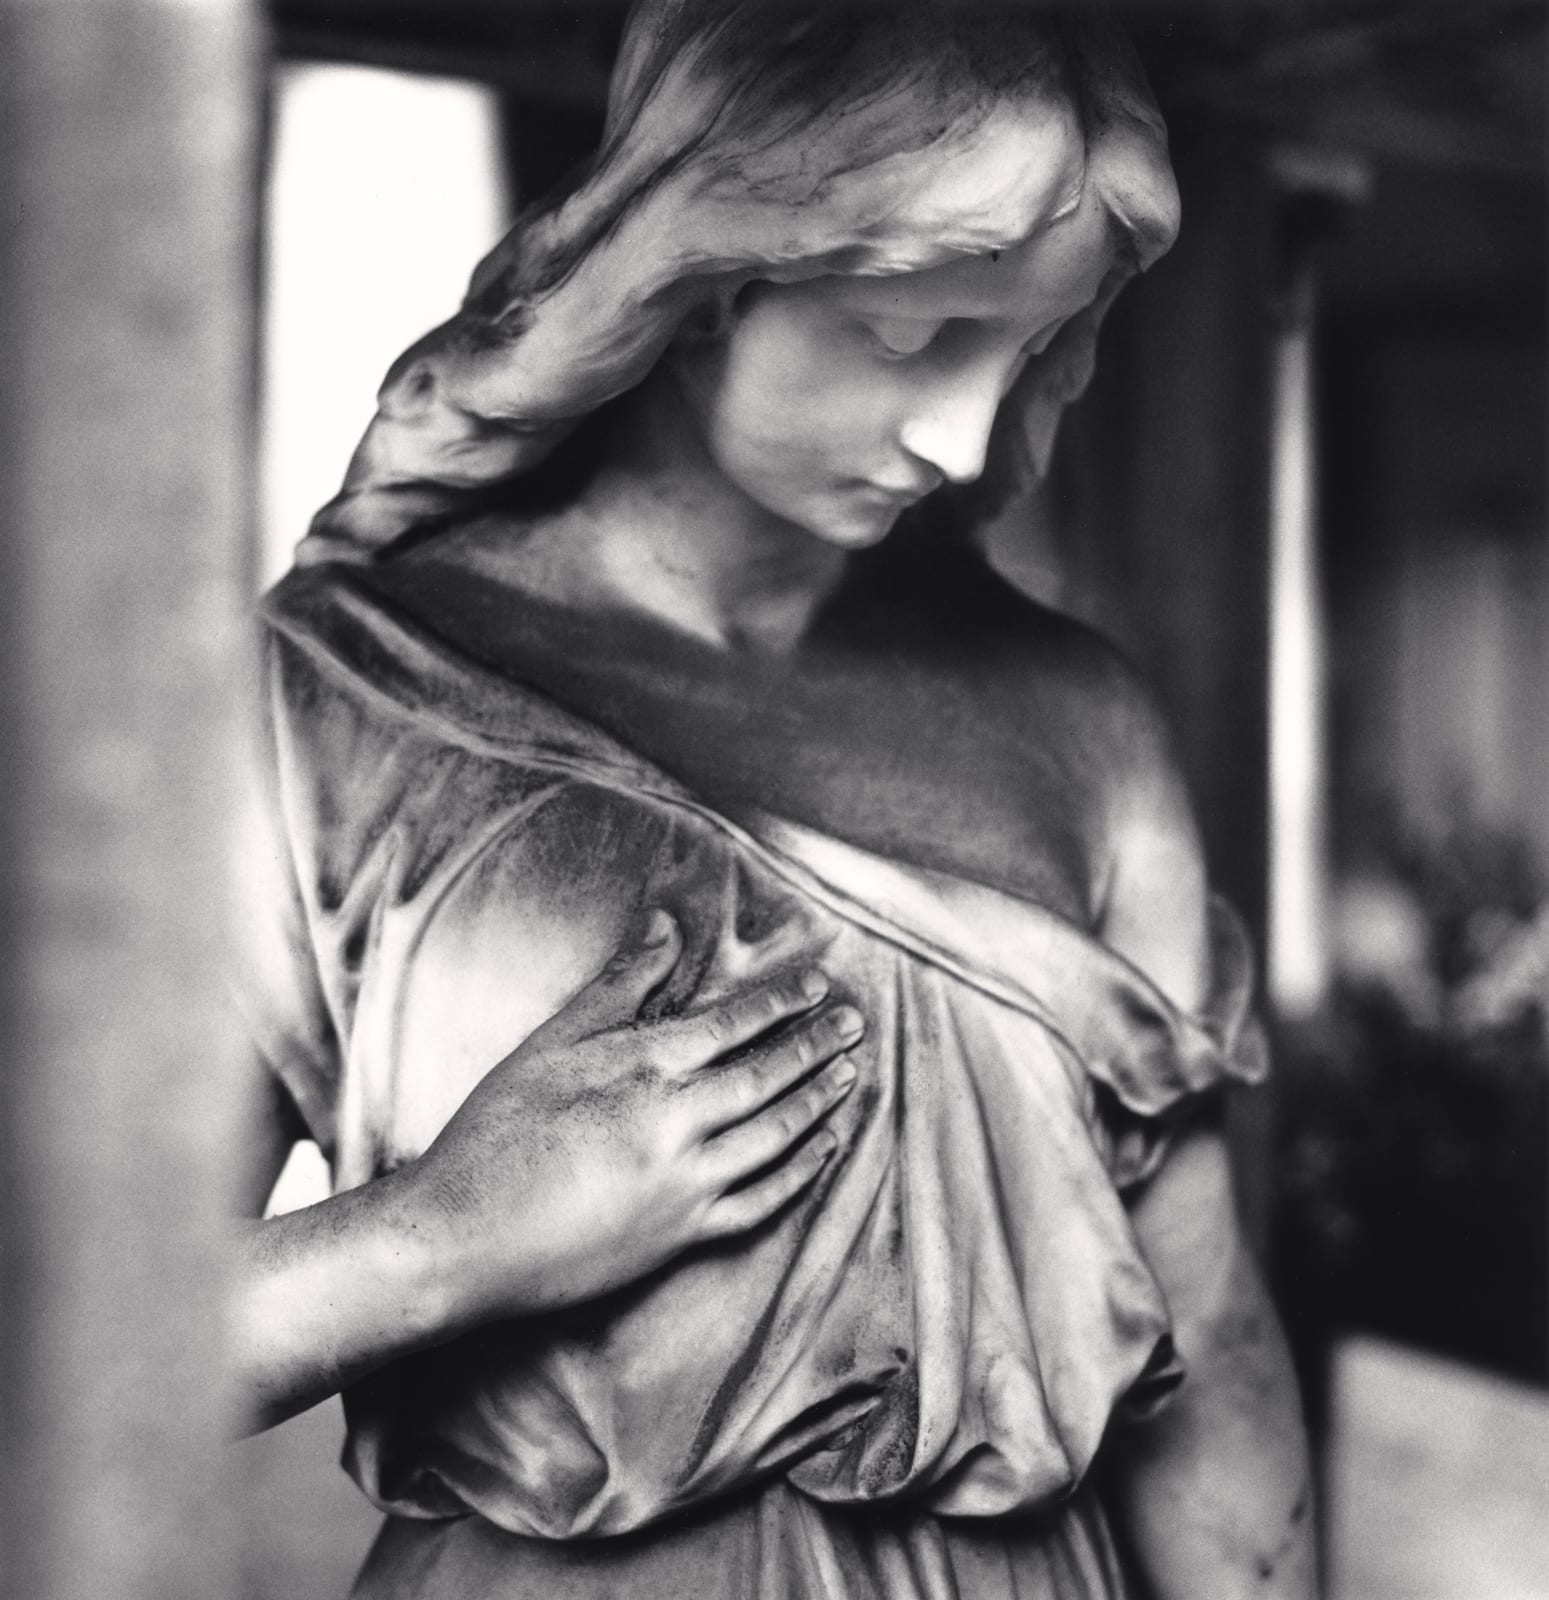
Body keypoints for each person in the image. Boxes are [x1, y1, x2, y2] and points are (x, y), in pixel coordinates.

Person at [234, 3, 1316, 1596]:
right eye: (903, 336)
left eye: (1026, 350)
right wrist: (448, 1236)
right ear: (691, 284)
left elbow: (1208, 1361)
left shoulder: (1082, 720)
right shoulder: (337, 702)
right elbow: (72, 1363)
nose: (962, 438)